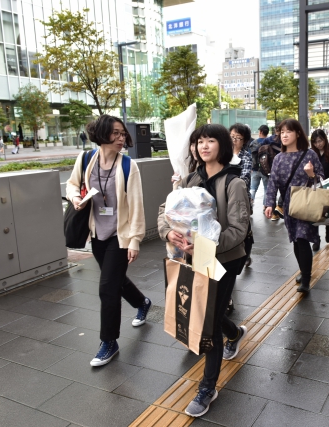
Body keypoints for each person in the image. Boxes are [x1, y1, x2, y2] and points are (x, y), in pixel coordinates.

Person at [157, 124, 250, 418]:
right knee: (208, 308)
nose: (204, 145)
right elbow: (166, 209)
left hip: (224, 258)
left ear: (223, 145)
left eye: (210, 140)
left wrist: (206, 245)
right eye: (199, 141)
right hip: (192, 256)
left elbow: (239, 229)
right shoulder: (190, 178)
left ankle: (208, 387)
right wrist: (167, 233)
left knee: (207, 322)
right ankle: (234, 333)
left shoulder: (235, 184)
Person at [66, 114, 151, 367]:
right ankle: (142, 302)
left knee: (107, 288)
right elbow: (72, 185)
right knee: (114, 280)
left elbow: (136, 204)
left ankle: (109, 342)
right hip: (96, 232)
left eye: (123, 133)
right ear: (101, 134)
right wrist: (74, 198)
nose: (121, 138)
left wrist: (135, 239)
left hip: (119, 234)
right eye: (115, 133)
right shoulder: (85, 159)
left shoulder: (128, 166)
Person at [265, 119, 324, 293]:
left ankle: (306, 279)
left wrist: (311, 174)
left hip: (306, 202)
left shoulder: (310, 154)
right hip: (289, 205)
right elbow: (272, 183)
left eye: (288, 131)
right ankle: (304, 270)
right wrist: (269, 204)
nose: (284, 135)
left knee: (302, 238)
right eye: (281, 132)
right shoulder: (278, 158)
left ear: (298, 133)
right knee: (296, 241)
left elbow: (321, 179)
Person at [229, 123, 254, 268]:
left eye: (238, 138)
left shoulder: (246, 156)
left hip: (241, 198)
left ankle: (247, 252)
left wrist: (229, 185)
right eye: (232, 136)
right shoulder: (223, 153)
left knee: (244, 229)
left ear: (244, 141)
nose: (234, 140)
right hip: (224, 198)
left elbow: (245, 178)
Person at [310, 129, 329, 251]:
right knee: (315, 214)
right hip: (315, 186)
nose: (318, 144)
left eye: (320, 140)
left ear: (325, 139)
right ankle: (316, 239)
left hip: (328, 186)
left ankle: (328, 227)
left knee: (326, 211)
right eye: (315, 142)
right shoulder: (311, 154)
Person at [249, 125, 270, 211]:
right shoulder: (269, 143)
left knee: (252, 188)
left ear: (260, 132)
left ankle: (249, 203)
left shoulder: (253, 143)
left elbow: (250, 156)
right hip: (266, 170)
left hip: (255, 169)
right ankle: (265, 207)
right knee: (266, 189)